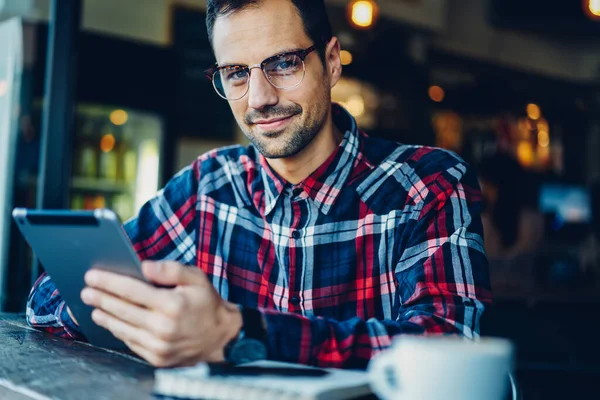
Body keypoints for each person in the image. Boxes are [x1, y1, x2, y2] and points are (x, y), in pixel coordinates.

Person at [27, 0, 491, 369]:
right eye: (236, 74)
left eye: (284, 64)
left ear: (331, 62)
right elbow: (49, 297)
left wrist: (238, 334)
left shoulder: (428, 186)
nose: (261, 98)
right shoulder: (207, 186)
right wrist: (149, 318)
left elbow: (451, 355)